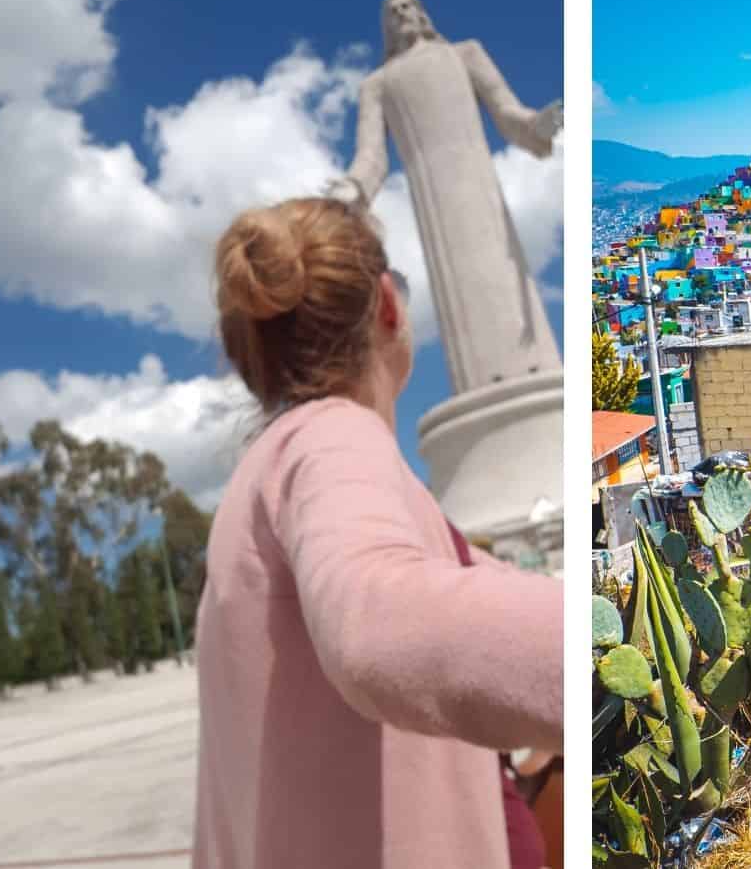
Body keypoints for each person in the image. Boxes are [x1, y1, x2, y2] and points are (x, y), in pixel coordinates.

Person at [192, 196, 563, 868]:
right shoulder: (332, 440)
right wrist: (607, 650)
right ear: (388, 304)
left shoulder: (274, 478)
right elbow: (380, 624)